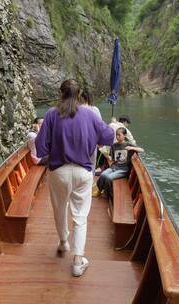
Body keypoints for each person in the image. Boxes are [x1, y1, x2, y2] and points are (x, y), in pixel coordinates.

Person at [36, 79, 114, 277]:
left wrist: (55, 146)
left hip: (58, 171)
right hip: (83, 171)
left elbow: (40, 147)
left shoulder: (52, 114)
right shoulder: (90, 114)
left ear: (61, 93)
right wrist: (110, 127)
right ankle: (78, 261)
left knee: (59, 209)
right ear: (79, 94)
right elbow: (108, 138)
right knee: (80, 215)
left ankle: (63, 243)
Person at [94, 127, 144, 197]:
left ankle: (107, 194)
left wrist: (132, 148)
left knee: (109, 178)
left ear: (124, 135)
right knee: (103, 175)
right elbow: (113, 159)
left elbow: (142, 150)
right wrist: (107, 156)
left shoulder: (128, 144)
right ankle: (99, 191)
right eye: (116, 135)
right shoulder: (114, 145)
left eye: (119, 135)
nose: (117, 137)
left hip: (123, 169)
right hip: (114, 167)